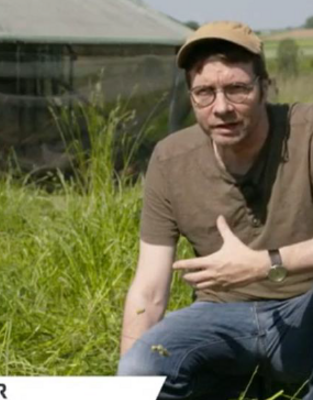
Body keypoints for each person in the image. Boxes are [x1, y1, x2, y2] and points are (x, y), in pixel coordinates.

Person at [116, 21, 313, 400]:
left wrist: (265, 263)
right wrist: (127, 388)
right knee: (141, 369)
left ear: (264, 87)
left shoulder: (305, 131)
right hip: (220, 316)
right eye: (204, 92)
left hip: (305, 309)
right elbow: (149, 290)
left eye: (237, 89)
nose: (221, 108)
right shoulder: (171, 159)